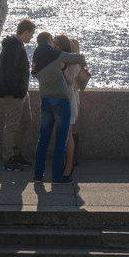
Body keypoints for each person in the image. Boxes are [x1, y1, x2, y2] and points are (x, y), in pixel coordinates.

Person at [31, 31, 85, 184]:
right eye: (51, 40)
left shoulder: (37, 56)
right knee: (61, 140)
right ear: (48, 41)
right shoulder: (56, 55)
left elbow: (34, 73)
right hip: (61, 100)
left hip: (45, 100)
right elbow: (80, 58)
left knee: (43, 139)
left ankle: (38, 175)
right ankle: (57, 176)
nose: (53, 43)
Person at [0, 18, 36, 172]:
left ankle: (16, 153)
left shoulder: (17, 45)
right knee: (11, 125)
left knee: (26, 121)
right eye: (31, 34)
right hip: (15, 93)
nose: (31, 37)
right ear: (25, 32)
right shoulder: (14, 47)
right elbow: (10, 71)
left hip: (21, 92)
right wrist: (17, 90)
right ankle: (8, 158)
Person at [55, 34, 87, 179]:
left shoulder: (74, 62)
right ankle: (67, 160)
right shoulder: (59, 59)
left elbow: (70, 81)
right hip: (61, 98)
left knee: (69, 131)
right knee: (66, 131)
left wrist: (64, 68)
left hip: (71, 98)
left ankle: (70, 162)